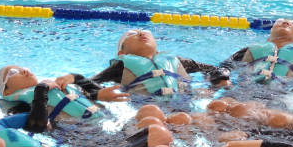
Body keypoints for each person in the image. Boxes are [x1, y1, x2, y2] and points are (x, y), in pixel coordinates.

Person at [55, 29, 231, 96]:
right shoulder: (122, 66)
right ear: (122, 52)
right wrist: (75, 77)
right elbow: (93, 83)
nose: (140, 34)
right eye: (131, 34)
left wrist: (218, 82)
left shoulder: (175, 60)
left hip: (186, 102)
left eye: (145, 32)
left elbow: (216, 69)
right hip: (147, 106)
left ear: (157, 48)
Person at [0, 65, 128, 125]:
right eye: (13, 72)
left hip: (109, 120)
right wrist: (41, 90)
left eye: (22, 68)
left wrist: (77, 78)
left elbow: (99, 88)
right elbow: (37, 125)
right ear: (6, 92)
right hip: (83, 135)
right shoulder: (18, 106)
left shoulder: (56, 85)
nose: (24, 71)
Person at [223, 18, 293, 83]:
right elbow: (226, 67)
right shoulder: (252, 49)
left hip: (283, 91)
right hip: (247, 86)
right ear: (268, 39)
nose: (285, 22)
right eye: (279, 21)